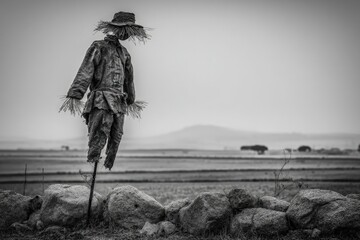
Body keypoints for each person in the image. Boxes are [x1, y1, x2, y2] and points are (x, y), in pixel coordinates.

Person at [63, 11, 149, 170]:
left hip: (119, 103)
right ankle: (94, 160)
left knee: (116, 136)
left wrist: (130, 99)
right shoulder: (99, 47)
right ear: (117, 29)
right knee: (99, 133)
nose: (127, 35)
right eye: (126, 30)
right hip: (101, 100)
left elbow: (129, 79)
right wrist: (76, 94)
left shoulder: (124, 53)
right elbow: (86, 71)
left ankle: (107, 163)